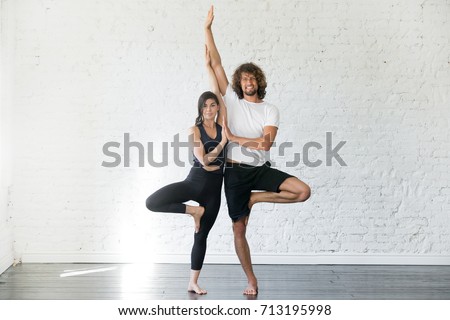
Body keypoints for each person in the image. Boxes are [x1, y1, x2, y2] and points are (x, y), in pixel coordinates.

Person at [204, 6, 311, 295]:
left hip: (260, 170)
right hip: (236, 175)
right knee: (239, 229)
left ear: (258, 82)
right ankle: (251, 281)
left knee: (303, 191)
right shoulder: (234, 101)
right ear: (239, 83)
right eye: (244, 79)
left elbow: (265, 144)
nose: (248, 82)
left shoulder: (270, 109)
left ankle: (257, 199)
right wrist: (208, 31)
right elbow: (216, 65)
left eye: (252, 79)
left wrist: (236, 138)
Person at [145, 57, 227, 294]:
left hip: (214, 191)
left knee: (201, 237)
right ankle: (193, 211)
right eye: (205, 106)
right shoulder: (195, 130)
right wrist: (222, 144)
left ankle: (192, 282)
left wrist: (208, 66)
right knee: (152, 202)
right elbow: (203, 160)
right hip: (194, 182)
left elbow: (216, 91)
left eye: (213, 105)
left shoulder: (222, 123)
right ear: (200, 110)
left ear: (218, 108)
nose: (209, 109)